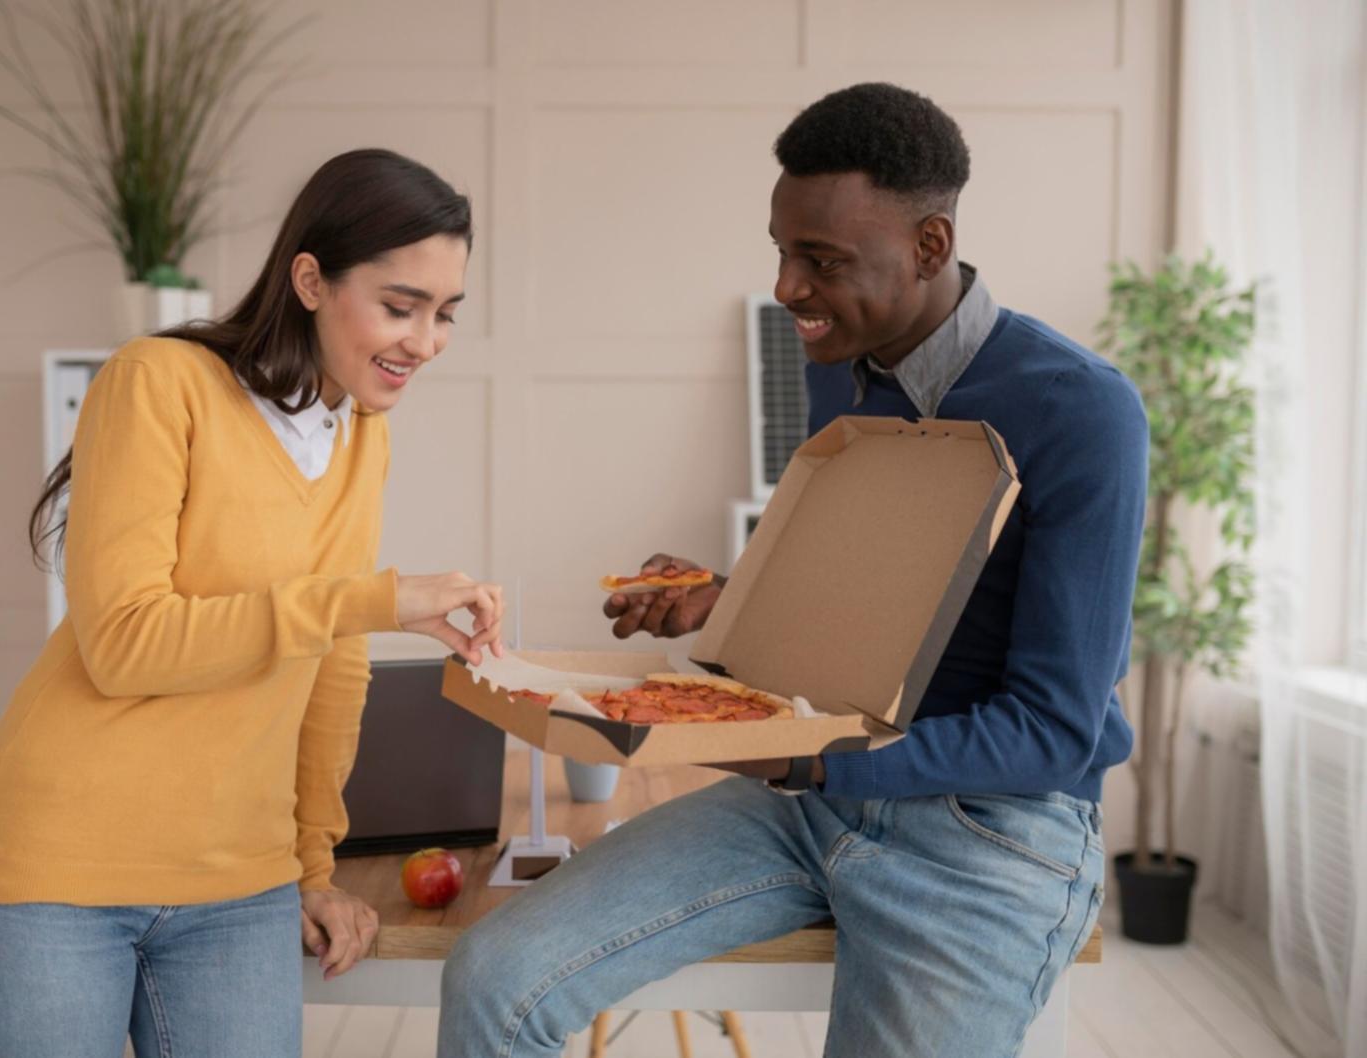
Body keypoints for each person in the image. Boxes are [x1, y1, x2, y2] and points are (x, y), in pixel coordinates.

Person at [438, 83, 1147, 1057]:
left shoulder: (1081, 411)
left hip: (985, 838)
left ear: (928, 245)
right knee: (492, 980)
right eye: (780, 249)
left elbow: (1054, 728)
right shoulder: (838, 366)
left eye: (819, 260)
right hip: (810, 803)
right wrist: (728, 601)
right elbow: (869, 601)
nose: (785, 288)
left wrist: (809, 753)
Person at [0, 148, 505, 1058]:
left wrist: (311, 867)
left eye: (445, 315)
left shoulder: (361, 438)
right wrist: (373, 600)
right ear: (310, 280)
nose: (425, 341)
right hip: (59, 872)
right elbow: (124, 643)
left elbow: (333, 667)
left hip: (241, 889)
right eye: (400, 307)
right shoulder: (159, 383)